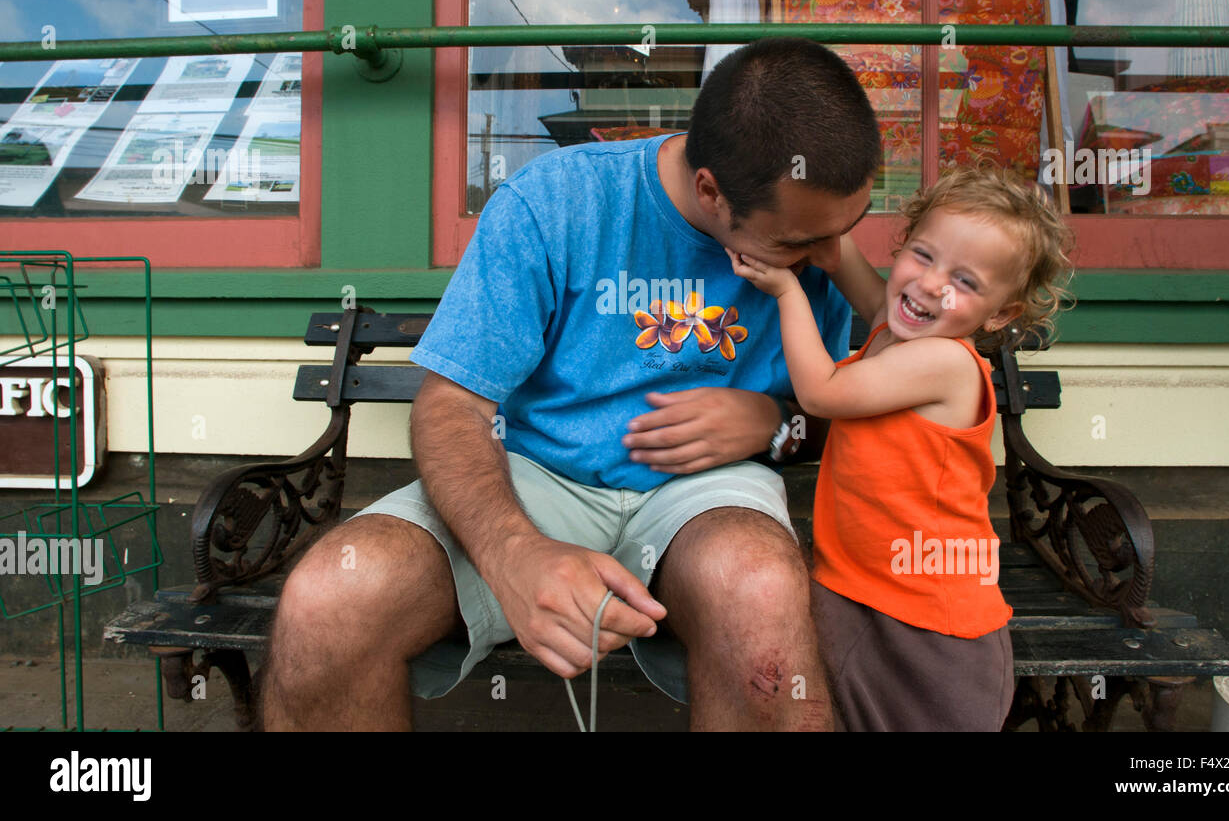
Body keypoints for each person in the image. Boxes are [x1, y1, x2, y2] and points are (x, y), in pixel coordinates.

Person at [260, 37, 882, 731]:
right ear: (710, 190)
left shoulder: (818, 226)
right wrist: (512, 553)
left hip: (712, 492)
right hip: (535, 474)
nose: (829, 256)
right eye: (800, 244)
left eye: (847, 232)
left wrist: (773, 421)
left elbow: (843, 408)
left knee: (762, 596)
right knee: (330, 597)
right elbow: (454, 404)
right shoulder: (558, 200)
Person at [727, 165, 1073, 731]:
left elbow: (820, 392)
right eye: (923, 255)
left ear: (1002, 313)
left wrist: (787, 292)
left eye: (966, 282)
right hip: (866, 586)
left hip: (928, 618)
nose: (933, 284)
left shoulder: (945, 362)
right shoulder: (900, 327)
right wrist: (797, 212)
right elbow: (844, 260)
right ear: (905, 244)